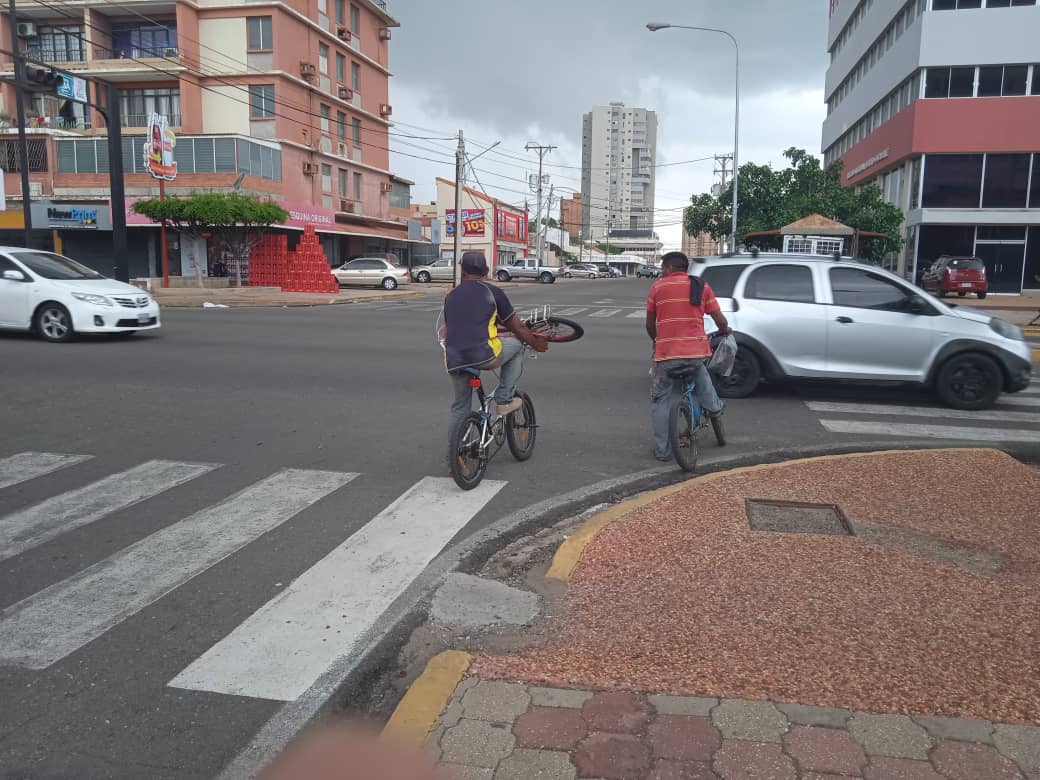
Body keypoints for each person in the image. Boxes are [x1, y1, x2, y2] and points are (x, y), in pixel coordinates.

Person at [442, 251, 548, 428]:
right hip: (484, 355)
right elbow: (518, 328)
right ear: (487, 271)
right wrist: (536, 344)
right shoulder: (494, 293)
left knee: (460, 407)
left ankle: (454, 454)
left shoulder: (451, 295)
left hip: (454, 358)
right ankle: (504, 399)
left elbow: (462, 323)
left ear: (462, 271)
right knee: (516, 345)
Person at [646, 251, 732, 461]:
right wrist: (725, 330)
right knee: (703, 378)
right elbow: (719, 320)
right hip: (695, 353)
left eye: (663, 268)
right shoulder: (701, 286)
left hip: (666, 356)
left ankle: (662, 451)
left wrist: (656, 342)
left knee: (660, 401)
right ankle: (714, 408)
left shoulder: (657, 287)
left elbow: (649, 324)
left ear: (668, 268)